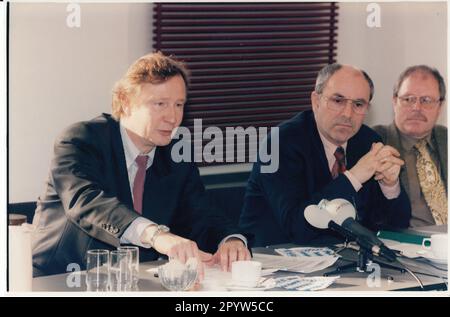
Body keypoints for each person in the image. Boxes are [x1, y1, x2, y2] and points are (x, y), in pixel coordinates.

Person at [32, 52, 250, 277]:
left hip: (134, 280)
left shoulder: (176, 155)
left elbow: (200, 215)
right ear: (126, 103)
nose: (173, 117)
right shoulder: (81, 139)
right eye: (160, 104)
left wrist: (230, 240)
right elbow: (87, 201)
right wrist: (156, 236)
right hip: (62, 277)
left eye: (178, 104)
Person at [239, 64, 411, 247]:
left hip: (343, 259)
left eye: (358, 104)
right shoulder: (279, 143)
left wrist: (390, 186)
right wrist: (354, 177)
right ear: (316, 101)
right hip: (275, 258)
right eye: (338, 101)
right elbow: (297, 226)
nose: (347, 114)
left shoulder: (369, 141)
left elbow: (398, 226)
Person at [373, 65, 447, 227]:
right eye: (408, 99)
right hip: (406, 246)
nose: (416, 108)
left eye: (426, 100)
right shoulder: (375, 141)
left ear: (440, 106)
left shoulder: (445, 138)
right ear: (394, 101)